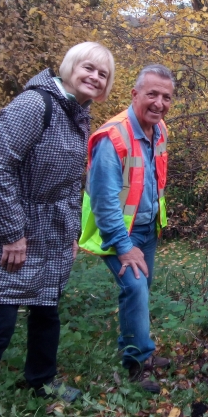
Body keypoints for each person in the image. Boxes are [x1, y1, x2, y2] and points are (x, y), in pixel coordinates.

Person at [0, 42, 115, 417]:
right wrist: (12, 234)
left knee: (46, 309)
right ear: (70, 66)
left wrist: (71, 231)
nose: (94, 77)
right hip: (10, 228)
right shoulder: (33, 105)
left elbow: (71, 182)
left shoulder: (76, 113)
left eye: (103, 74)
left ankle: (41, 382)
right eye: (88, 68)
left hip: (52, 231)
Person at [79, 64, 175, 394]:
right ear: (135, 94)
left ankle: (130, 345)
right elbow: (105, 201)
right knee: (135, 288)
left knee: (139, 288)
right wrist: (122, 244)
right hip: (121, 231)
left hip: (147, 227)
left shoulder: (159, 130)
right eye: (152, 94)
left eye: (166, 97)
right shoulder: (113, 138)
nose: (159, 103)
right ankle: (137, 362)